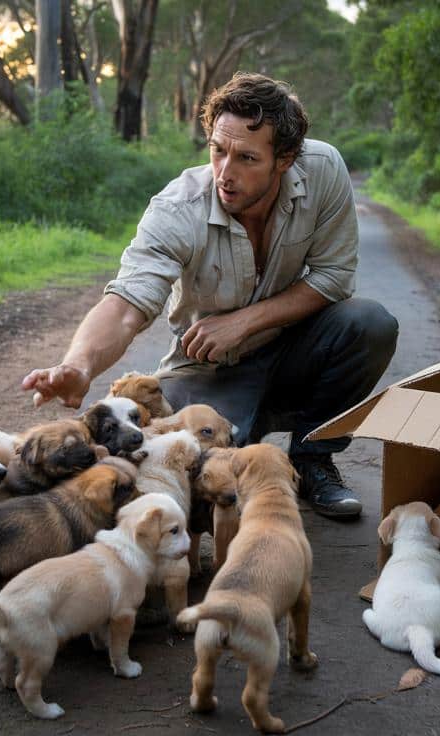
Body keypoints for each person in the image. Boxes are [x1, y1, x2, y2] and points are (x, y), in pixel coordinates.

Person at [21, 72, 398, 521]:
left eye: (246, 158)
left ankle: (313, 458)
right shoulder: (178, 208)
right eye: (218, 150)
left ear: (286, 159)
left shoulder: (324, 169)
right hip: (209, 366)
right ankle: (247, 431)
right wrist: (79, 364)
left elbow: (334, 276)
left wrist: (244, 320)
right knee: (190, 471)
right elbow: (126, 305)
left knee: (370, 323)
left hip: (297, 348)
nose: (225, 172)